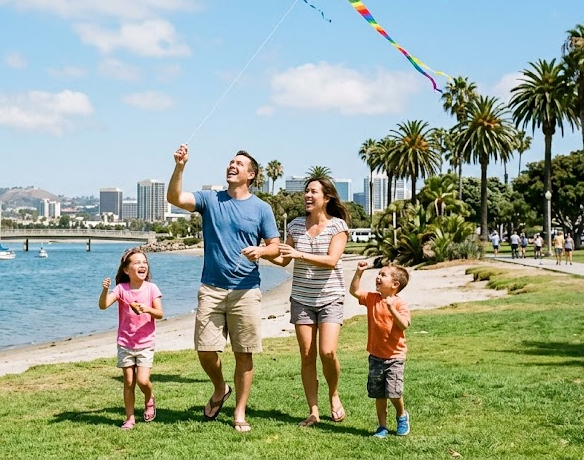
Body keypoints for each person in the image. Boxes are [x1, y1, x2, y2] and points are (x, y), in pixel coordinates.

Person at [167, 144, 280, 433]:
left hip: (246, 290)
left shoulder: (262, 209)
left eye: (239, 163)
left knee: (245, 353)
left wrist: (261, 252)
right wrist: (180, 166)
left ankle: (239, 413)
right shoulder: (210, 199)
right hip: (212, 289)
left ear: (251, 175)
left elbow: (274, 246)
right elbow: (175, 197)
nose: (232, 165)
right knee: (205, 349)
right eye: (231, 161)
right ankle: (221, 388)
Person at [268, 176, 349, 427]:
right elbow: (283, 260)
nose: (308, 195)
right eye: (306, 191)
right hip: (302, 298)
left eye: (314, 191)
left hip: (330, 297)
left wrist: (298, 253)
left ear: (327, 198)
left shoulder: (338, 227)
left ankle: (333, 394)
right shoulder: (295, 225)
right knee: (306, 355)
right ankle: (313, 410)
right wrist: (262, 253)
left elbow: (332, 260)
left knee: (328, 351)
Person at [99, 248, 164, 430]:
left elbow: (159, 313)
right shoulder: (121, 289)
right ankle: (129, 418)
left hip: (145, 343)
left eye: (144, 262)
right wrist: (105, 290)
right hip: (125, 343)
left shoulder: (152, 288)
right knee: (128, 382)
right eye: (137, 263)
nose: (142, 265)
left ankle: (149, 398)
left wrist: (147, 309)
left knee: (143, 381)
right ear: (126, 270)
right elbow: (103, 305)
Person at [349, 262, 411, 438]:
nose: (378, 277)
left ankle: (401, 415)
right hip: (376, 356)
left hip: (395, 357)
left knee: (393, 392)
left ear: (395, 285)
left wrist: (391, 308)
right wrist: (359, 272)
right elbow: (354, 291)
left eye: (383, 275)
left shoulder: (399, 304)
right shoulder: (372, 298)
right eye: (379, 273)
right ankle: (382, 426)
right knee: (379, 394)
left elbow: (404, 324)